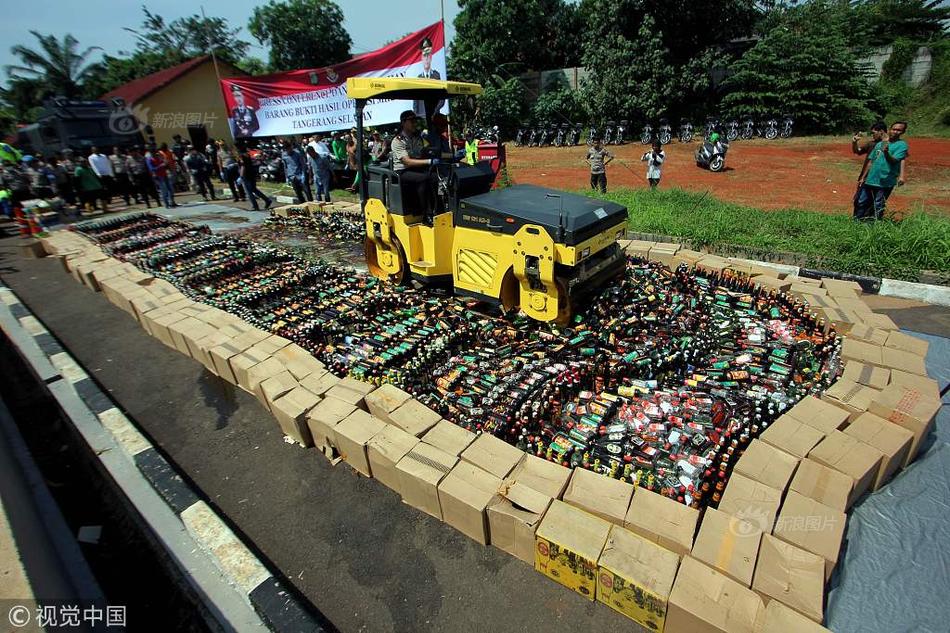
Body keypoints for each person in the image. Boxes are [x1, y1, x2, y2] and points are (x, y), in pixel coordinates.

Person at [852, 121, 908, 221]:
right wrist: (863, 177)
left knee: (878, 204)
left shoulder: (901, 145)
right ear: (890, 129)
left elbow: (898, 160)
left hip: (885, 181)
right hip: (870, 179)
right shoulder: (877, 144)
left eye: (898, 130)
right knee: (860, 201)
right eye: (894, 129)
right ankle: (857, 222)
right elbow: (869, 160)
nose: (895, 132)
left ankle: (873, 224)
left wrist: (901, 175)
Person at [391, 109, 439, 216]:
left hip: (416, 168)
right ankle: (425, 214)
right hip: (402, 171)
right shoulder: (398, 141)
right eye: (411, 121)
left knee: (435, 177)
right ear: (403, 123)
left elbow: (425, 151)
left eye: (415, 121)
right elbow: (407, 162)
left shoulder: (417, 138)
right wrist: (429, 161)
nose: (414, 123)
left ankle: (437, 208)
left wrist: (449, 156)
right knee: (423, 178)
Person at [413, 37, 443, 117]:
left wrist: (435, 112)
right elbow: (416, 101)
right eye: (424, 56)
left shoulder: (436, 75)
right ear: (421, 59)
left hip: (435, 116)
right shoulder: (419, 78)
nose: (426, 59)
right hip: (422, 117)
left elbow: (441, 98)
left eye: (428, 56)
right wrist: (417, 116)